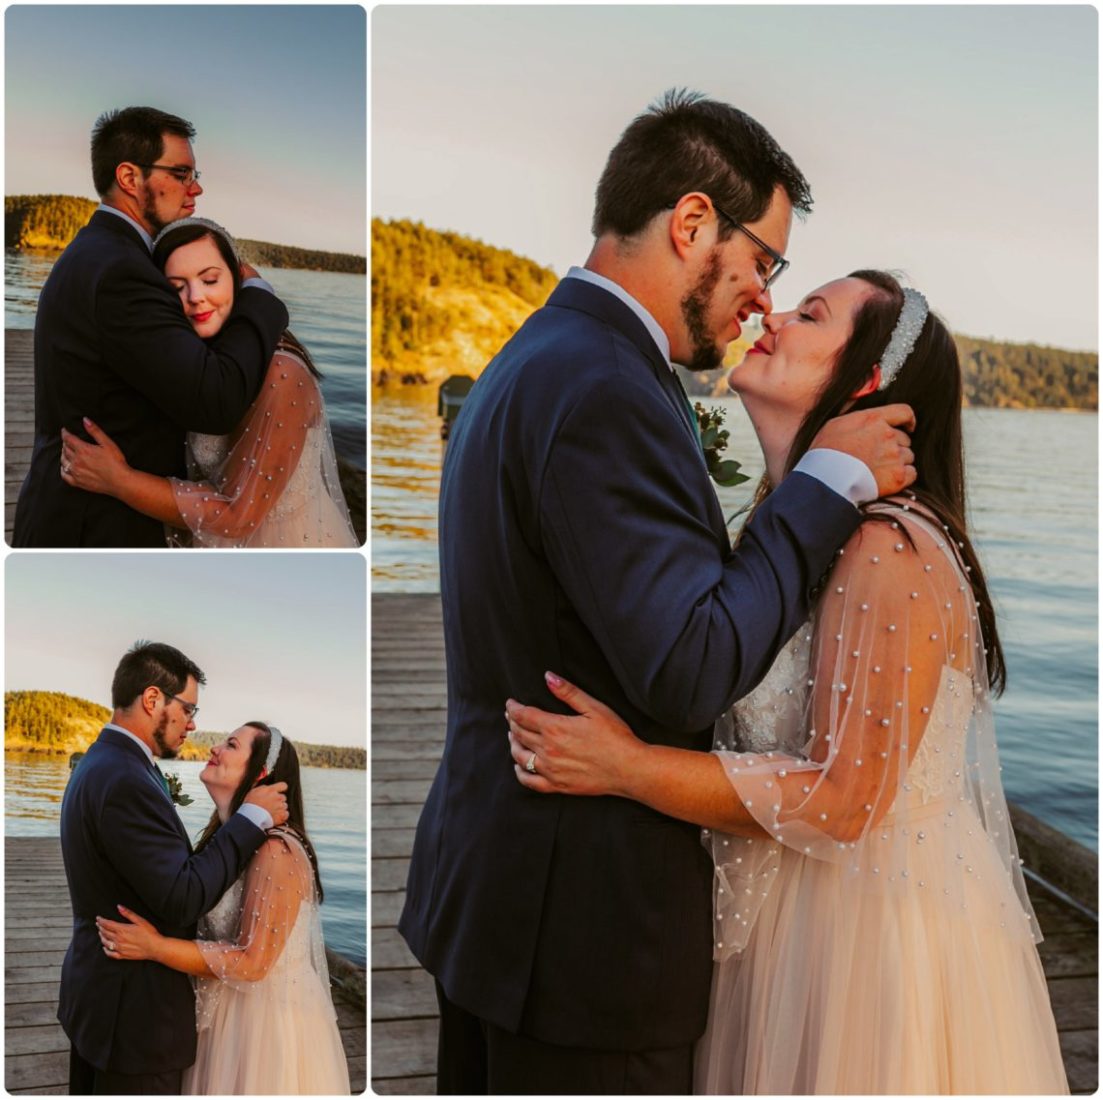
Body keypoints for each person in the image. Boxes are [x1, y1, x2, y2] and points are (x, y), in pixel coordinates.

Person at [398, 89, 917, 1094]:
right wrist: (820, 488)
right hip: (581, 944)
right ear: (690, 224)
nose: (760, 297)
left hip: (501, 903)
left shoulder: (539, 354)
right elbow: (688, 664)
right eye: (762, 261)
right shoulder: (604, 386)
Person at [505, 270, 1070, 1094]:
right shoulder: (794, 526)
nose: (771, 312)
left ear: (866, 379)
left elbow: (845, 798)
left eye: (810, 314)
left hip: (866, 945)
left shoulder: (886, 546)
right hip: (784, 923)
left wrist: (624, 768)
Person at [12, 105, 288, 548]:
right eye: (180, 173)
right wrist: (259, 295)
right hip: (93, 529)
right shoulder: (122, 271)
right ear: (128, 177)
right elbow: (214, 400)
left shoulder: (98, 252)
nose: (194, 188)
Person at [58, 642, 289, 1095]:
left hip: (102, 1002)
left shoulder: (102, 763)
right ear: (151, 700)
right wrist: (249, 822)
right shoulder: (125, 778)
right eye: (187, 709)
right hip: (132, 1020)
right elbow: (182, 896)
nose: (193, 724)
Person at [58, 218, 358, 548]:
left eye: (210, 279)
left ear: (237, 278)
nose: (196, 297)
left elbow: (238, 516)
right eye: (176, 287)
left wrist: (120, 480)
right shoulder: (198, 358)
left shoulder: (282, 374)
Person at [95, 721, 351, 1095]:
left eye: (231, 744)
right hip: (224, 1011)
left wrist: (155, 947)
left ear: (259, 772)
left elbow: (253, 962)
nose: (215, 747)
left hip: (262, 1026)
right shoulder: (229, 839)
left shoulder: (275, 850)